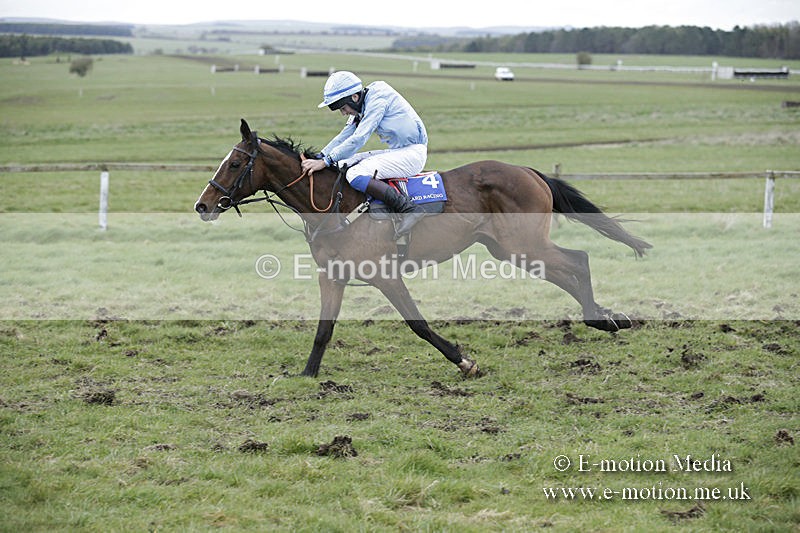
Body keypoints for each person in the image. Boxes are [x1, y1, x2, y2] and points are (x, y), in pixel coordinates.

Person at [301, 71, 428, 236]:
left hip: (412, 154)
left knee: (355, 173)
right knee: (342, 164)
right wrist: (320, 157)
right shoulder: (362, 102)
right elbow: (344, 136)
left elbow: (359, 139)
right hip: (399, 151)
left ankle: (408, 209)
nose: (343, 113)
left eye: (343, 108)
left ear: (354, 97)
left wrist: (326, 161)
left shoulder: (377, 100)